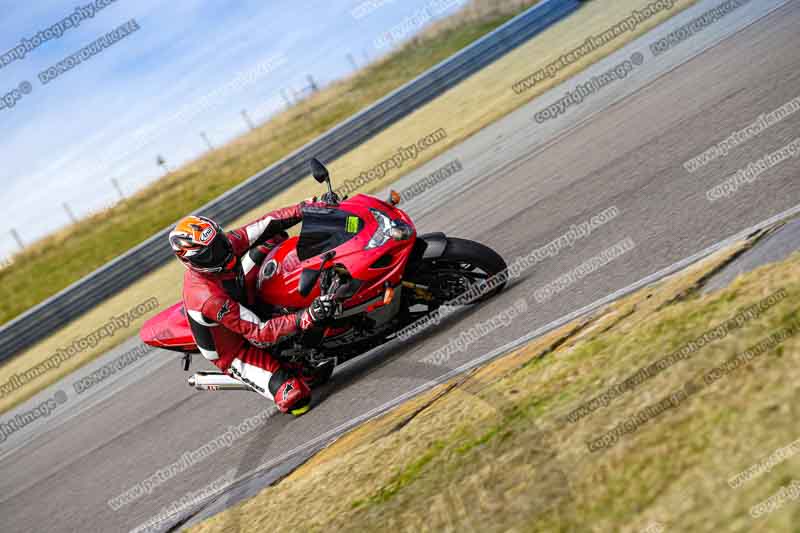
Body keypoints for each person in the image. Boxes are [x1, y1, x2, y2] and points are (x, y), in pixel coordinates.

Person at [169, 201, 334, 416]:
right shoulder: (207, 297)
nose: (221, 252)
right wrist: (306, 316)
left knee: (274, 238)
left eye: (219, 242)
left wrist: (310, 207)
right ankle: (295, 372)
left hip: (240, 296)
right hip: (236, 349)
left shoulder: (226, 244)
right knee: (295, 398)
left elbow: (268, 222)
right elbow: (260, 332)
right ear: (192, 262)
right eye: (209, 254)